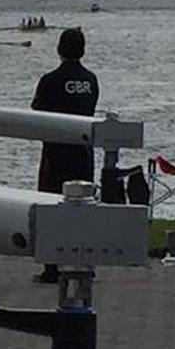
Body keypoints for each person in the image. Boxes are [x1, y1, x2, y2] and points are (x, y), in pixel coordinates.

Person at [31, 28, 99, 284]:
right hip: (82, 153)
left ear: (59, 49)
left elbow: (37, 111)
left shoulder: (50, 80)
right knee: (82, 207)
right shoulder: (91, 80)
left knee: (52, 205)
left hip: (55, 154)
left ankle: (51, 267)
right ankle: (84, 263)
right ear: (82, 50)